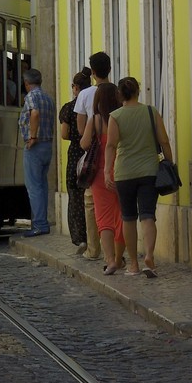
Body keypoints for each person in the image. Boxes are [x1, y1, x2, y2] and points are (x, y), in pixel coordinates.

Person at [104, 75, 175, 279]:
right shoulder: (151, 112)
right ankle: (149, 257)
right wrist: (169, 162)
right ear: (138, 91)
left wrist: (106, 170)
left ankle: (133, 264)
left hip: (124, 173)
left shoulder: (115, 116)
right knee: (147, 215)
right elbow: (164, 141)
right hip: (149, 171)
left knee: (128, 217)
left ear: (120, 95)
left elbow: (111, 145)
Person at [84, 81, 127, 274]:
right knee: (124, 216)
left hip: (101, 174)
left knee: (104, 218)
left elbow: (84, 144)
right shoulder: (121, 117)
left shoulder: (96, 120)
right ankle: (120, 257)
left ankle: (110, 260)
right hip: (124, 170)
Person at [74, 50, 111, 260]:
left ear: (93, 72)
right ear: (109, 69)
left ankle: (93, 249)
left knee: (91, 202)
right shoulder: (118, 90)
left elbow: (81, 131)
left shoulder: (85, 94)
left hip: (94, 152)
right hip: (116, 151)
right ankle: (115, 252)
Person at [18, 66, 55, 236]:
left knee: (33, 186)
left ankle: (39, 224)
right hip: (47, 145)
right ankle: (43, 221)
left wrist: (32, 137)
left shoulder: (31, 96)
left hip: (36, 145)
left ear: (26, 83)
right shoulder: (48, 98)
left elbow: (35, 114)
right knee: (42, 185)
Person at [59, 70, 91, 250]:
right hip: (92, 153)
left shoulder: (68, 108)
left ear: (76, 88)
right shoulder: (92, 105)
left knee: (75, 197)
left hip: (75, 155)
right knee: (91, 197)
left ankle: (81, 238)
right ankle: (95, 238)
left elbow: (64, 134)